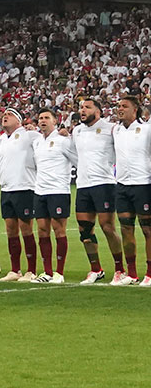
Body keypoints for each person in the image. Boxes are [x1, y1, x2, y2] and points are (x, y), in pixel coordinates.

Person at [71, 98, 125, 284]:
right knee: (84, 231)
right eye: (81, 107)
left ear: (99, 111)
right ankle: (96, 270)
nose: (82, 110)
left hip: (104, 184)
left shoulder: (111, 129)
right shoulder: (77, 131)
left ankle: (120, 270)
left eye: (87, 107)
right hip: (83, 185)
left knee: (107, 227)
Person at [31, 109, 76, 284]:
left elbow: (77, 159)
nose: (42, 121)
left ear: (55, 121)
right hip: (40, 191)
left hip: (58, 191)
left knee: (59, 230)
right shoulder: (37, 142)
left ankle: (59, 272)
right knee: (42, 230)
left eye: (46, 118)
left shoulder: (63, 141)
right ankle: (47, 272)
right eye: (40, 118)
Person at [0, 108, 39, 282]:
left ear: (19, 121)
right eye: (3, 115)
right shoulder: (1, 140)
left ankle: (31, 270)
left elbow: (46, 137)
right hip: (6, 189)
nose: (5, 117)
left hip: (25, 187)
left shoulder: (28, 135)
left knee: (26, 228)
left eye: (9, 115)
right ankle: (15, 270)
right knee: (10, 230)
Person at [113, 95, 151, 286]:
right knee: (126, 228)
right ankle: (132, 273)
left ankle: (150, 273)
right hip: (122, 185)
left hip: (143, 184)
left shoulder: (146, 129)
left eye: (124, 106)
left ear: (134, 109)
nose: (120, 109)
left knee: (147, 229)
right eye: (119, 106)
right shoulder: (116, 130)